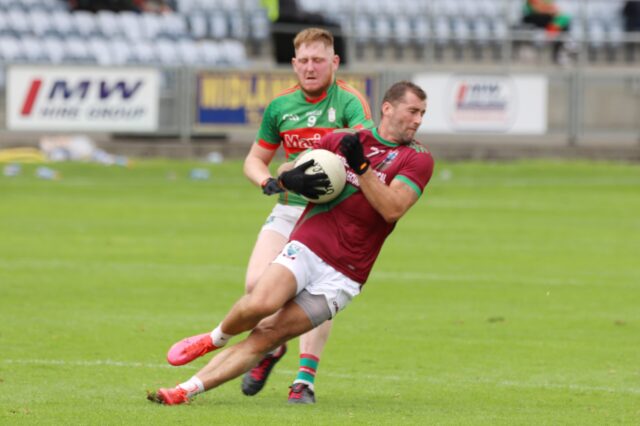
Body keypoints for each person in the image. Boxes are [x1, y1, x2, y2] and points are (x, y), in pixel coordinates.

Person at [147, 80, 435, 406]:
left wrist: (363, 168)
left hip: (345, 276)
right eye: (412, 111)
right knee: (260, 303)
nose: (418, 120)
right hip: (309, 245)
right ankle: (214, 339)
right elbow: (288, 166)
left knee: (268, 335)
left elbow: (392, 208)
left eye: (422, 113)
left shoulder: (418, 159)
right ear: (388, 108)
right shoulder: (343, 140)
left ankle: (185, 390)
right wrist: (289, 177)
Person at [242, 27, 374, 404]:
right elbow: (254, 159)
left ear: (334, 62)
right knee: (255, 287)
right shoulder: (280, 108)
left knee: (314, 296)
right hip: (288, 209)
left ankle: (304, 381)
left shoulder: (349, 102)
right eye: (305, 61)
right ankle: (273, 347)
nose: (311, 67)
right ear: (294, 64)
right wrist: (267, 181)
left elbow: (365, 148)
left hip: (330, 216)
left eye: (319, 60)